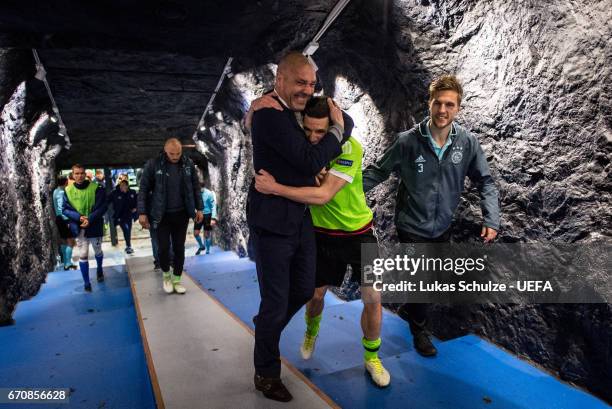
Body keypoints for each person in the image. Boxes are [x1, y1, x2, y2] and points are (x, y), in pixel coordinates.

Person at [254, 96, 390, 387]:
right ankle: (311, 331)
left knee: (373, 297)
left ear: (333, 128)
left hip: (359, 233)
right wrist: (255, 106)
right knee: (314, 296)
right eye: (309, 131)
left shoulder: (349, 147)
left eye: (321, 132)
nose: (315, 138)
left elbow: (323, 195)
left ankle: (372, 357)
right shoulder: (303, 150)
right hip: (322, 235)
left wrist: (275, 188)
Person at [362, 74, 500, 356]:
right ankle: (420, 332)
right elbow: (377, 171)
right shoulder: (408, 142)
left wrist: (491, 218)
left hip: (442, 226)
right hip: (411, 225)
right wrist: (338, 190)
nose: (442, 110)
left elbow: (485, 181)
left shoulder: (467, 143)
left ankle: (410, 309)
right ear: (430, 103)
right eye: (438, 103)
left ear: (458, 108)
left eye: (450, 105)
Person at [247, 51, 346, 402]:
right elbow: (310, 157)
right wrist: (335, 130)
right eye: (299, 83)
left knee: (304, 288)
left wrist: (332, 114)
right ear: (280, 80)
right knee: (274, 302)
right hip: (272, 220)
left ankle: (265, 329)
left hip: (299, 217)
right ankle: (266, 373)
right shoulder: (268, 116)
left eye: (311, 84)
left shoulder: (291, 109)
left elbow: (343, 118)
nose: (306, 90)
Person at [138, 137, 204, 295]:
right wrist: (142, 212)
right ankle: (166, 276)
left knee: (179, 248)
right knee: (163, 248)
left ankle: (177, 280)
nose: (175, 156)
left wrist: (199, 208)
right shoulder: (153, 164)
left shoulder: (188, 164)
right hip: (161, 214)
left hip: (181, 214)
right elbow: (143, 189)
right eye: (172, 154)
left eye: (178, 153)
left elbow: (195, 187)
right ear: (165, 151)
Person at [62, 164, 108, 292]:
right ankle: (87, 283)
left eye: (81, 173)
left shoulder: (97, 188)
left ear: (85, 174)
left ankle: (99, 269)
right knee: (83, 254)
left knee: (98, 250)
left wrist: (90, 219)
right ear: (72, 175)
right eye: (76, 173)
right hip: (79, 226)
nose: (79, 176)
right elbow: (65, 209)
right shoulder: (68, 190)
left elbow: (102, 206)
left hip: (94, 225)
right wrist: (79, 217)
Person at [52, 175, 77, 270]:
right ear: (66, 182)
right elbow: (60, 207)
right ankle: (68, 263)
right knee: (71, 242)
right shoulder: (61, 193)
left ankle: (64, 261)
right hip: (64, 219)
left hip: (59, 219)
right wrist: (67, 220)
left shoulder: (56, 191)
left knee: (64, 241)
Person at [109, 179, 138, 254]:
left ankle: (128, 245)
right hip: (120, 216)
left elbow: (137, 201)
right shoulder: (115, 193)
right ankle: (128, 246)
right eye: (121, 186)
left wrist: (136, 208)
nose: (122, 187)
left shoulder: (132, 192)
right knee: (126, 229)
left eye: (124, 186)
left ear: (127, 186)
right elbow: (107, 200)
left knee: (128, 230)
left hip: (129, 215)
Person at [194, 184, 218, 255]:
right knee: (196, 233)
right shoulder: (195, 193)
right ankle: (201, 246)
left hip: (208, 215)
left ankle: (207, 251)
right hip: (198, 214)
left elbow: (213, 206)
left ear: (203, 187)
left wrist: (213, 218)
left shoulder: (209, 193)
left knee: (207, 234)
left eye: (200, 188)